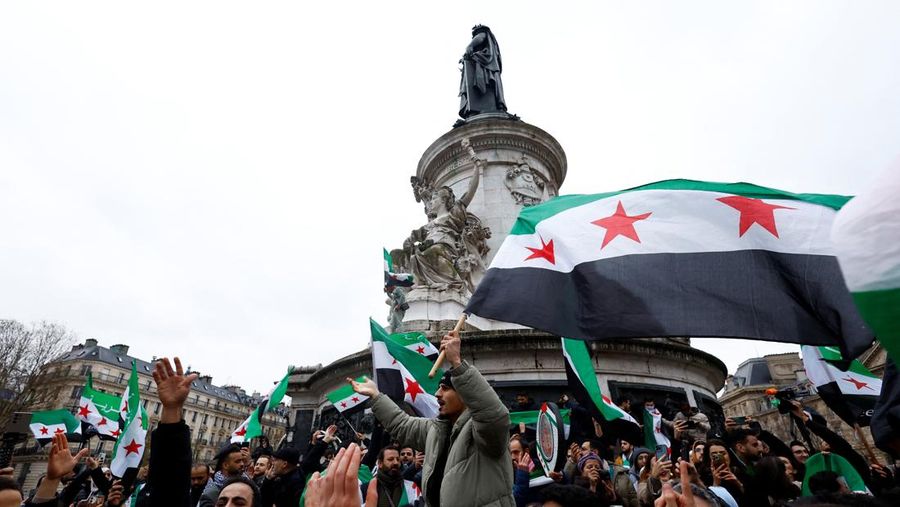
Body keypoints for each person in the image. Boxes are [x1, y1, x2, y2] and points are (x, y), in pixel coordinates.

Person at [349, 329, 514, 506]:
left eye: (445, 388)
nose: (437, 394)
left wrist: (457, 364)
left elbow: (494, 415)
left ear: (464, 394)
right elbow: (402, 425)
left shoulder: (484, 431)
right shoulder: (435, 429)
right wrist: (376, 396)